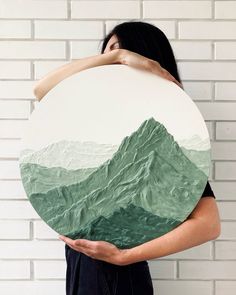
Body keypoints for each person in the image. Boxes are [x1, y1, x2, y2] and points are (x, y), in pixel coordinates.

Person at [33, 21, 221, 295]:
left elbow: (209, 224)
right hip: (83, 270)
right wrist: (117, 56)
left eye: (123, 52)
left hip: (118, 278)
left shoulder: (161, 134)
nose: (110, 63)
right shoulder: (103, 127)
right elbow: (42, 90)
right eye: (106, 54)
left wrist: (124, 256)